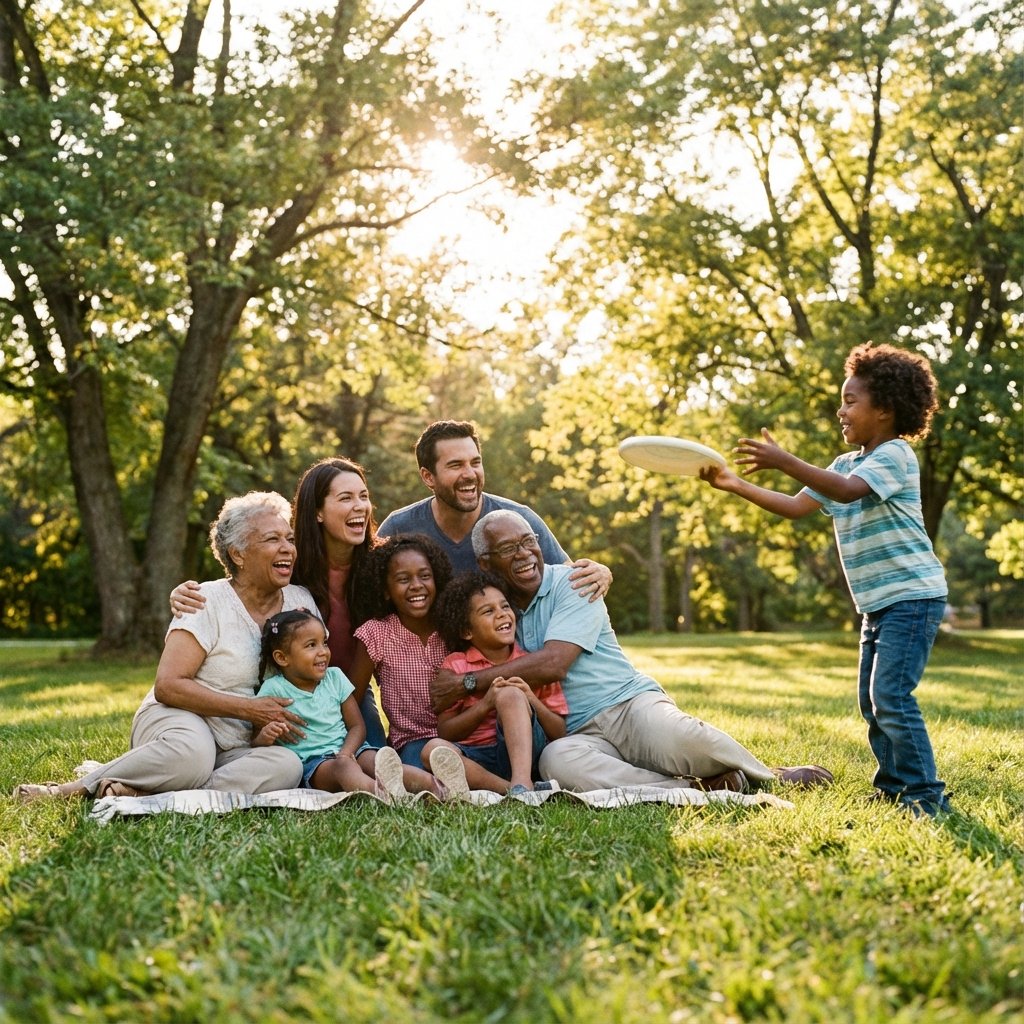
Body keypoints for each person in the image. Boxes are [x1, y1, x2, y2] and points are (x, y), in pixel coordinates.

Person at [700, 342, 951, 817]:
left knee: (891, 696)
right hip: (877, 603)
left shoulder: (895, 456)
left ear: (886, 410)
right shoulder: (842, 464)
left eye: (851, 400)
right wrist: (736, 484)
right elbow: (797, 506)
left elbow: (850, 493)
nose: (842, 410)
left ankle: (924, 795)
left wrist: (785, 459)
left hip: (912, 597)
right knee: (871, 701)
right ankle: (893, 785)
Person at [430, 510, 833, 794]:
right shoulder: (499, 609)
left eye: (528, 542)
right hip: (577, 731)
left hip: (627, 704)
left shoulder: (575, 582)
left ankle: (768, 776)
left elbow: (555, 661)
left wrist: (467, 681)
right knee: (557, 763)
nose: (524, 554)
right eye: (508, 549)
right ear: (486, 562)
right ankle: (688, 789)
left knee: (680, 737)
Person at [14, 492, 310, 803]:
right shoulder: (204, 600)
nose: (287, 548)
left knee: (286, 766)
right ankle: (70, 790)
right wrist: (249, 709)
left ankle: (146, 790)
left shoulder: (301, 602)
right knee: (193, 756)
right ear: (238, 554)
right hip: (180, 721)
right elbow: (168, 686)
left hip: (241, 742)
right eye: (272, 539)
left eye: (289, 539)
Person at [170, 458, 388, 748]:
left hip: (347, 689)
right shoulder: (290, 567)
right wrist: (180, 593)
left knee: (370, 752)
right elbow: (242, 585)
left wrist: (338, 705)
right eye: (346, 497)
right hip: (297, 688)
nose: (360, 505)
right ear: (318, 512)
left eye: (364, 496)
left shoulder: (382, 565)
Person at [348, 534, 513, 795]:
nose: (416, 585)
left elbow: (487, 668)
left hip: (466, 736)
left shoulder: (453, 627)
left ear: (436, 579)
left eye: (425, 576)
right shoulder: (376, 634)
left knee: (471, 759)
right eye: (403, 579)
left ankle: (493, 786)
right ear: (385, 590)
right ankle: (480, 788)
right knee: (413, 770)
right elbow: (352, 697)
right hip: (414, 743)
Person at [377, 419, 613, 600]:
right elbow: (364, 593)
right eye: (455, 465)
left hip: (510, 654)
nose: (470, 474)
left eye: (475, 462)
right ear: (428, 477)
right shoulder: (399, 528)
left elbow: (568, 582)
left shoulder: (519, 520)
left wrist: (600, 573)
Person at [254, 609, 448, 801]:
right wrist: (265, 736)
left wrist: (347, 752)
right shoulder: (274, 689)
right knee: (344, 769)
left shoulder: (335, 677)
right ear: (282, 658)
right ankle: (384, 795)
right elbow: (253, 739)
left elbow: (357, 726)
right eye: (311, 645)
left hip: (351, 749)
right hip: (315, 764)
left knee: (377, 760)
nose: (323, 652)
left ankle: (437, 787)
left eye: (325, 642)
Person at [433, 571, 567, 795]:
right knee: (433, 749)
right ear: (467, 631)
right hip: (477, 756)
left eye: (505, 607)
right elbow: (446, 732)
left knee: (511, 694)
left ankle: (522, 781)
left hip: (526, 754)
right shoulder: (456, 666)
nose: (502, 615)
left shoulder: (530, 664)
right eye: (488, 611)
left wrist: (531, 699)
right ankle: (513, 789)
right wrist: (485, 704)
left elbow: (559, 731)